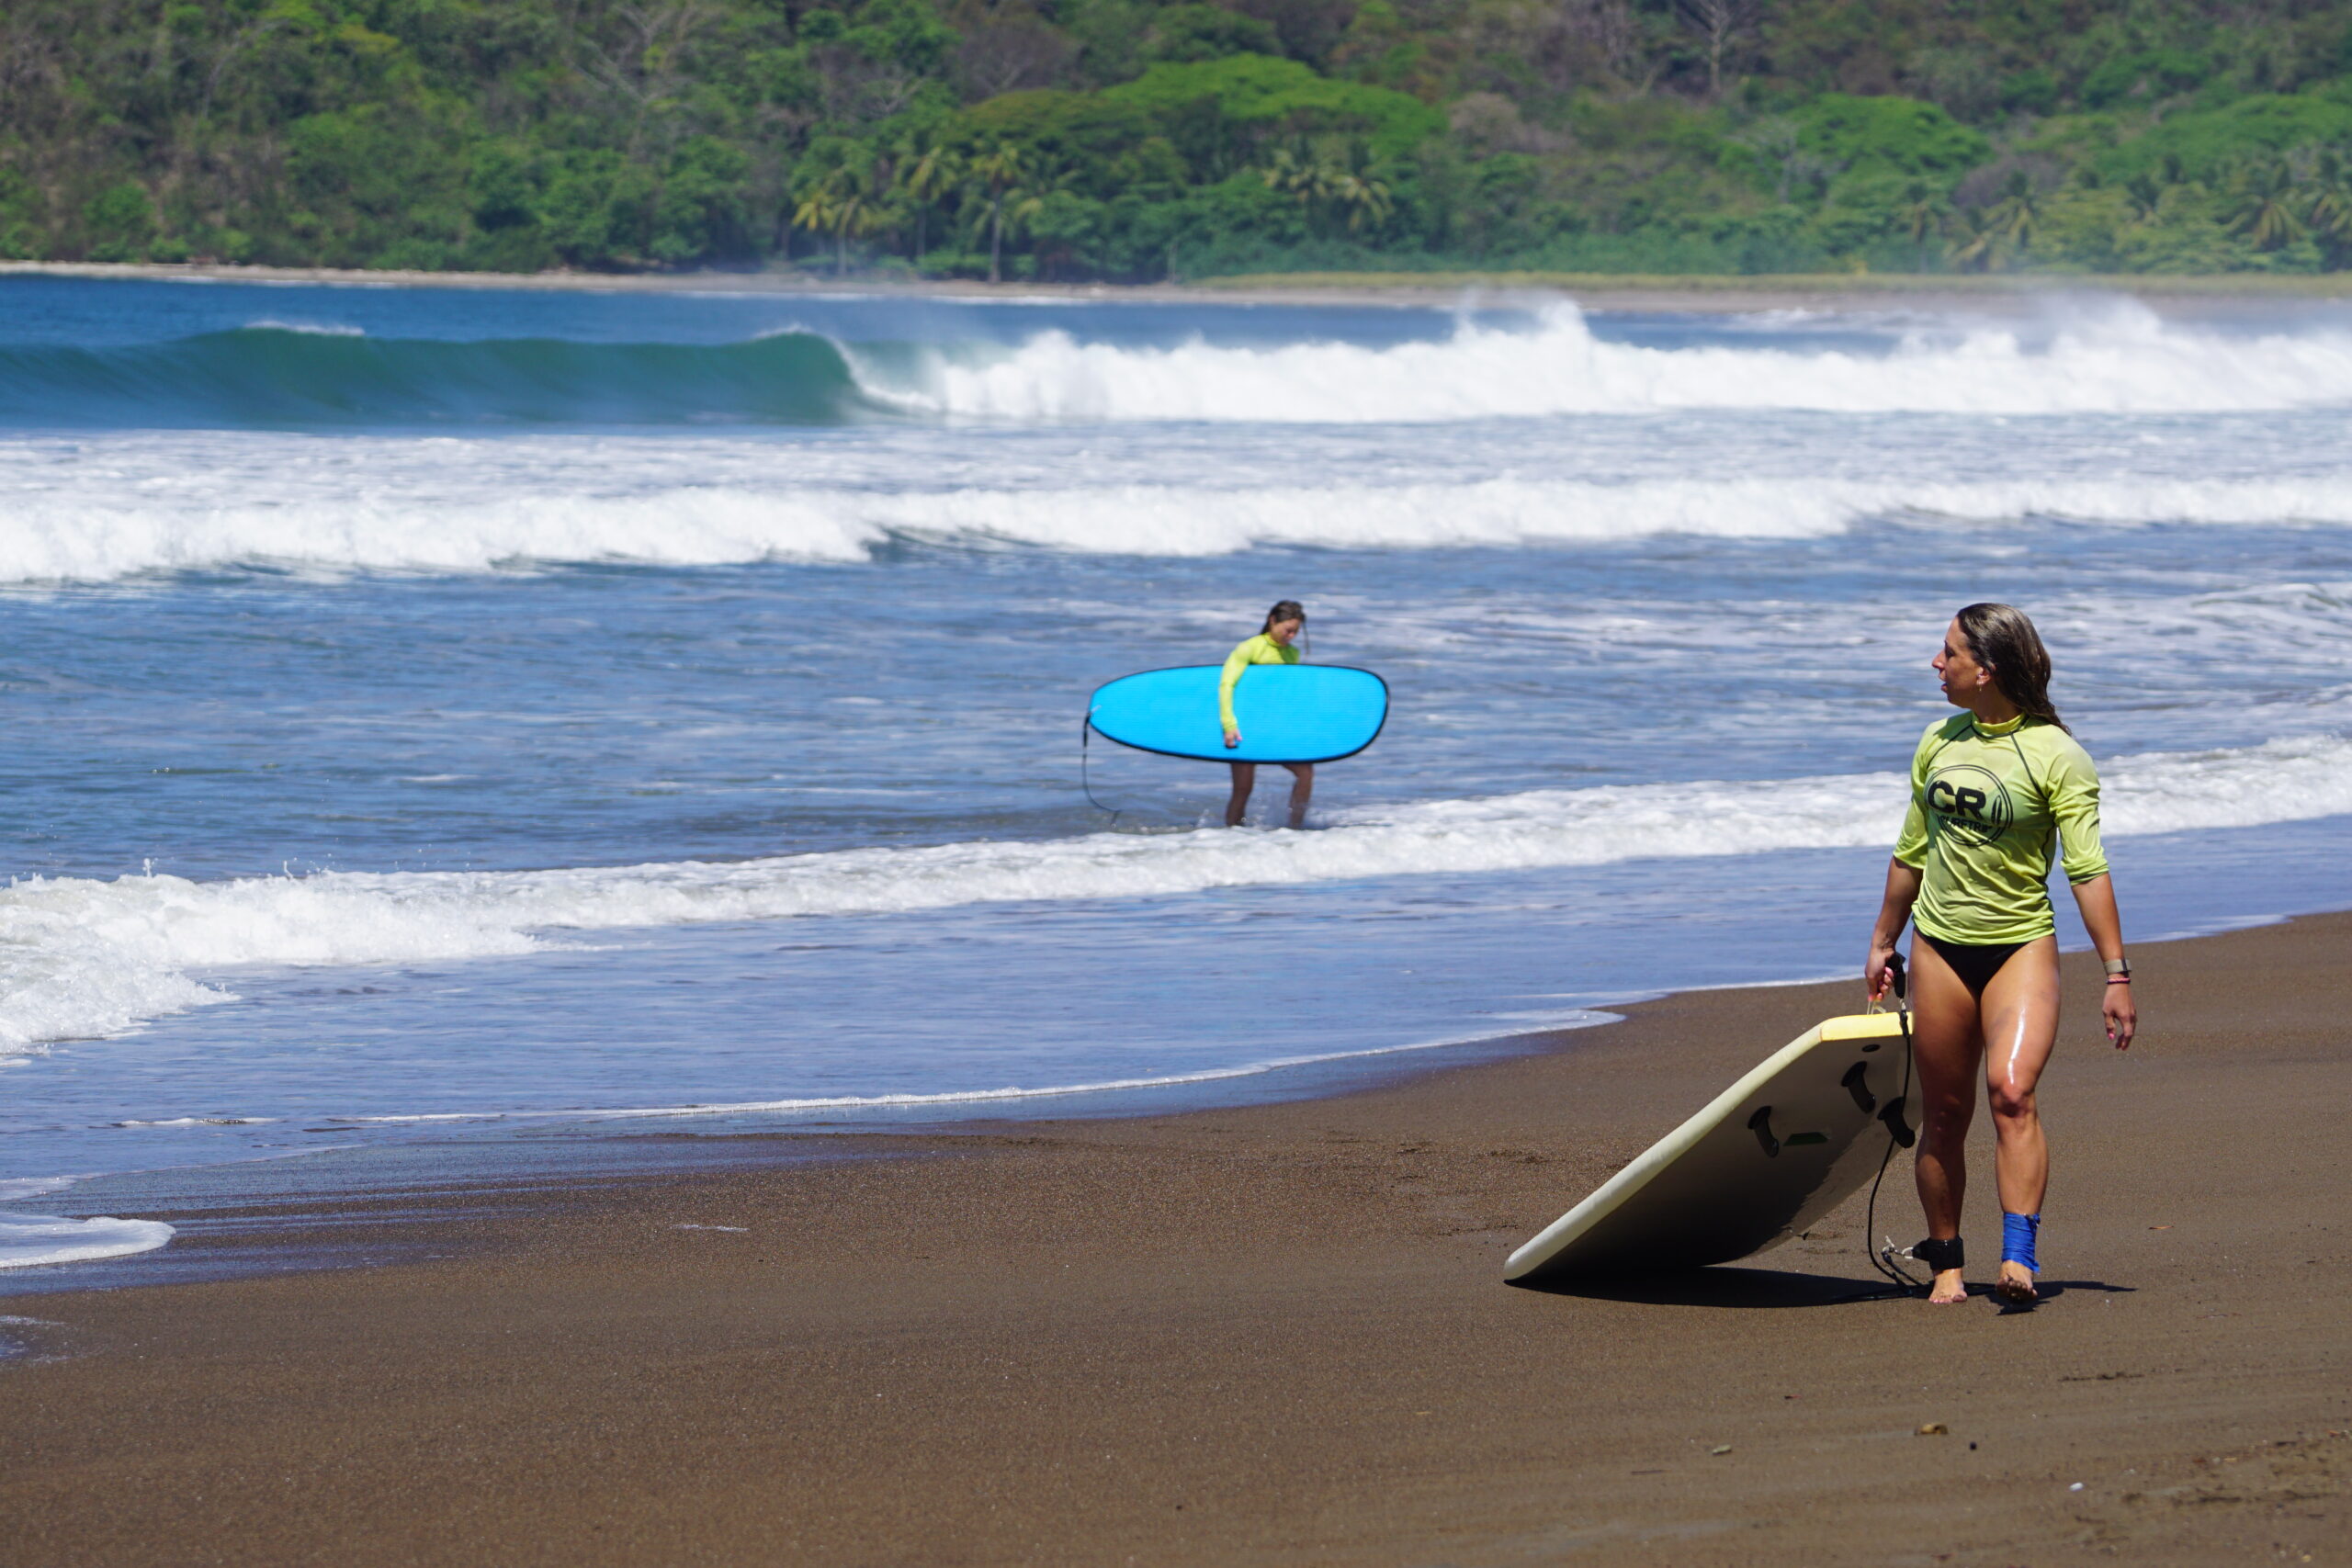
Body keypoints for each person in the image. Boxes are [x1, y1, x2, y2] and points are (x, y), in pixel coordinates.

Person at [1864, 603, 2137, 1307]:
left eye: (1948, 653)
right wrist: (1882, 940)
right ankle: (1947, 1264)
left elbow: (2088, 869)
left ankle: (2019, 1258)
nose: (1936, 663)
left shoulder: (2056, 756)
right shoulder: (1937, 740)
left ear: (1985, 670)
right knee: (1946, 1113)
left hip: (2019, 945)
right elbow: (1911, 851)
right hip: (1940, 949)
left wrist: (2116, 972)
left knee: (2012, 1093)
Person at [1220, 600, 1313, 829]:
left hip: (1274, 728)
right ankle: (1233, 836)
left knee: (1306, 773)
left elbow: (1286, 694)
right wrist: (1229, 725)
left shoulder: (1292, 653)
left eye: (1295, 632)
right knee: (1242, 789)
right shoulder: (1249, 648)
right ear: (1272, 620)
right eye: (1287, 629)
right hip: (1245, 727)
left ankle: (1295, 829)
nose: (1291, 636)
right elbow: (1226, 685)